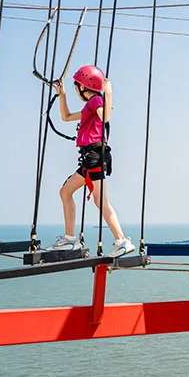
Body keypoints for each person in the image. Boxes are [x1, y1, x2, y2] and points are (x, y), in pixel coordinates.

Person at [47, 65, 135, 258]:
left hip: (94, 156)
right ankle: (70, 239)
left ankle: (122, 241)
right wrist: (62, 95)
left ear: (83, 86)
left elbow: (105, 118)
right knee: (65, 192)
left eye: (76, 86)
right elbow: (66, 117)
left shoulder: (96, 100)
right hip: (89, 158)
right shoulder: (90, 106)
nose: (76, 90)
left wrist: (108, 93)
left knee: (100, 200)